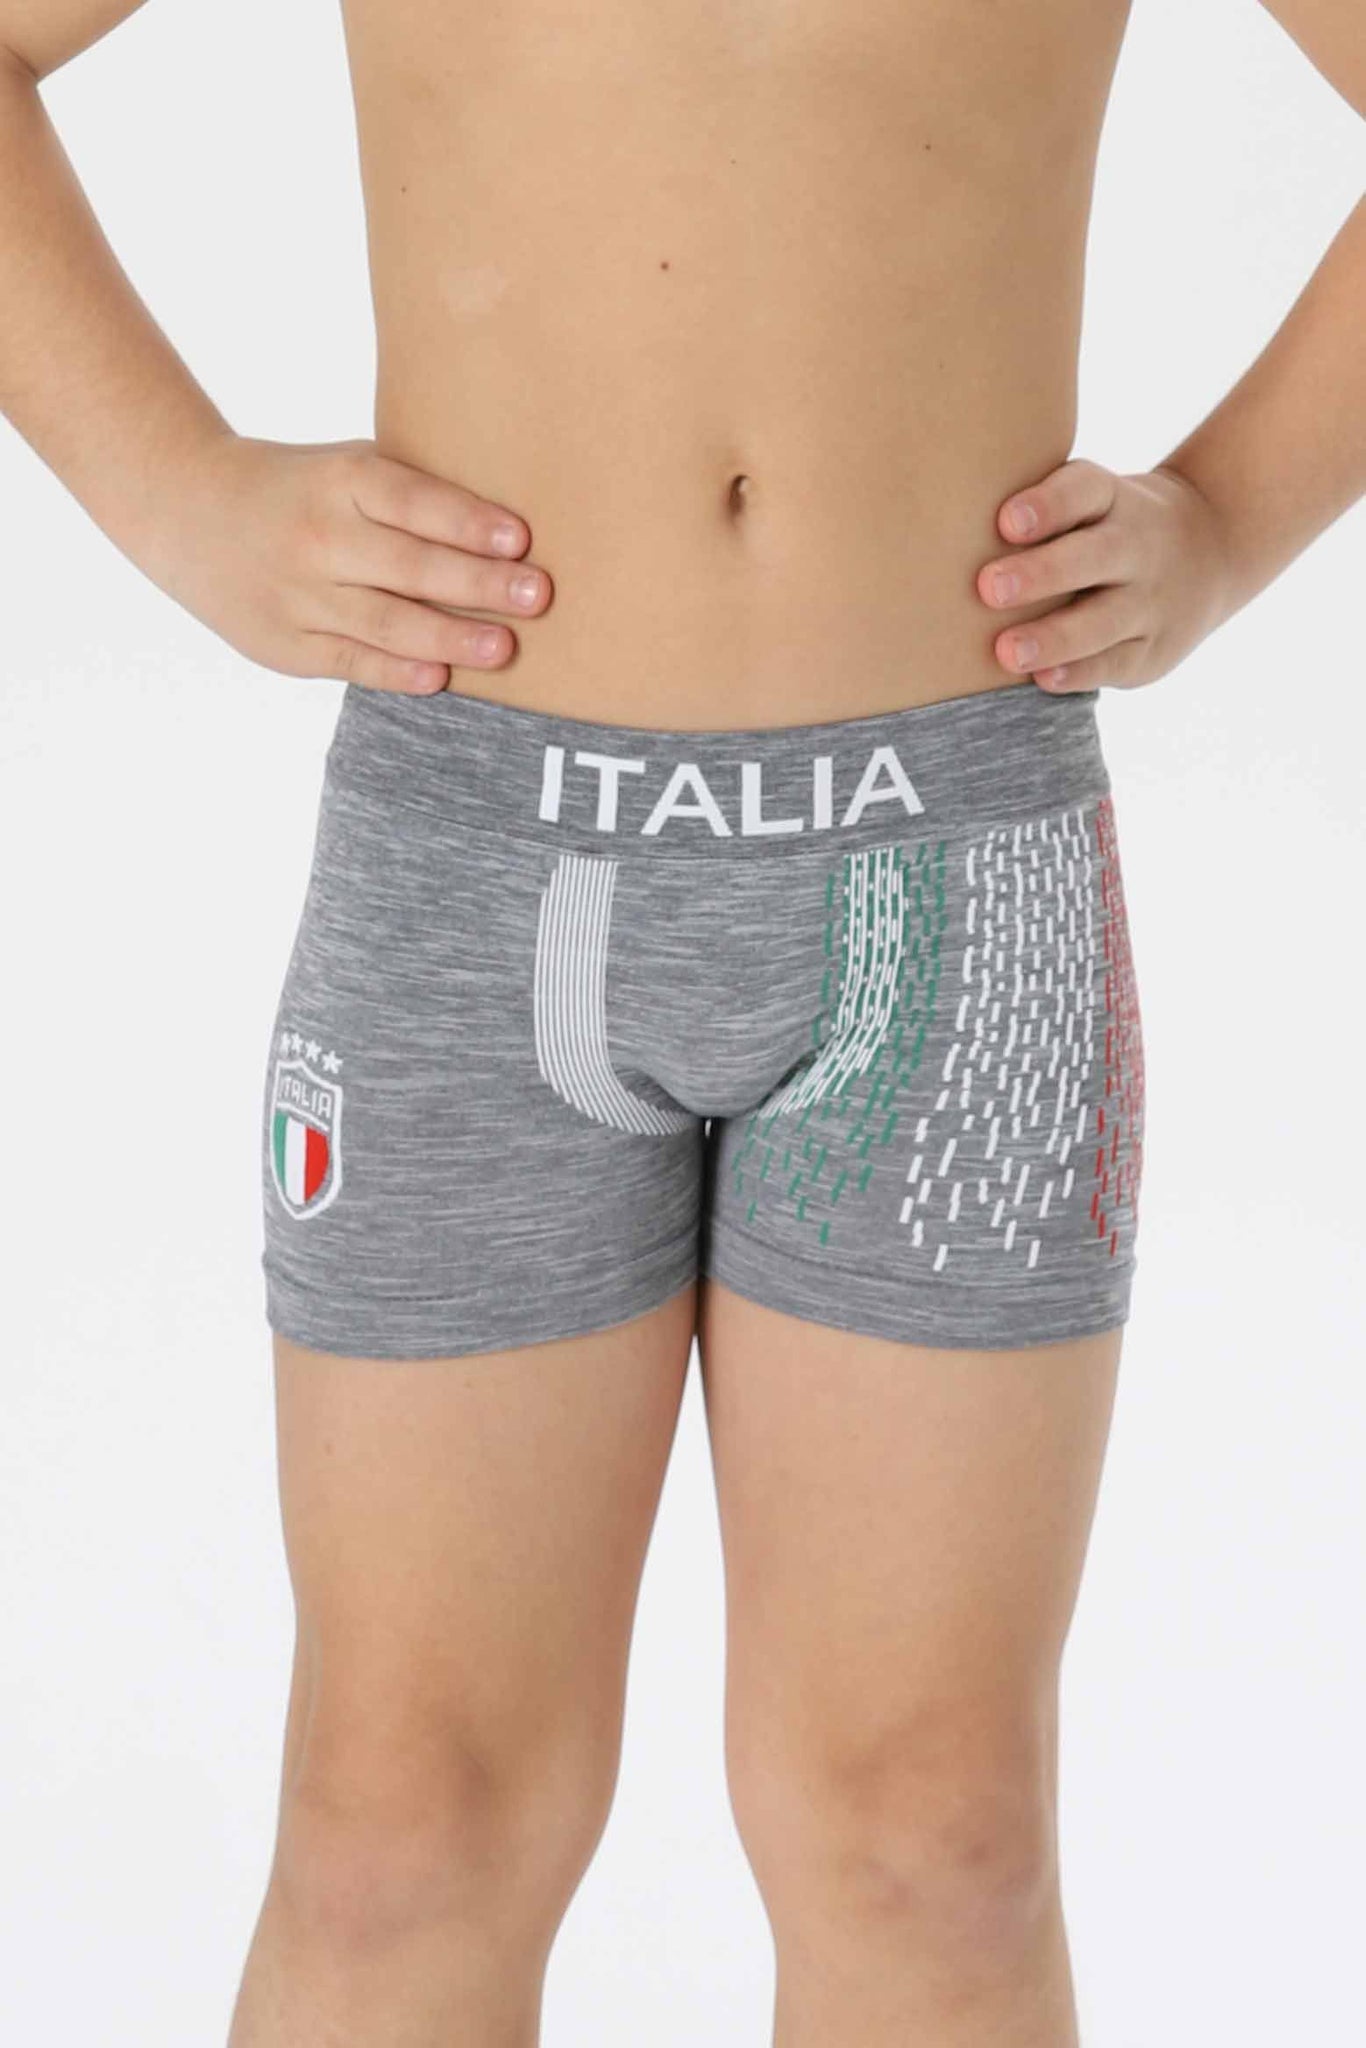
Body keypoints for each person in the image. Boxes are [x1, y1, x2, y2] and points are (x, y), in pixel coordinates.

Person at [2, 1, 1361, 2041]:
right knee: (400, 1826)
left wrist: (1232, 517)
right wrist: (180, 493)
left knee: (931, 1839)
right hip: (477, 843)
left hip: (947, 870)